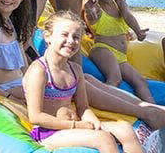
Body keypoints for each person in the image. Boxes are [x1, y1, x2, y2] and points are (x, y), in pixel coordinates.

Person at [23, 10, 145, 152]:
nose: (70, 41)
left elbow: (83, 107)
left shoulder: (75, 69)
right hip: (49, 132)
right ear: (47, 37)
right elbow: (35, 116)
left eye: (76, 37)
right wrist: (76, 126)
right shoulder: (40, 70)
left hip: (75, 125)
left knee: (125, 129)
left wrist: (94, 123)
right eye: (64, 34)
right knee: (103, 139)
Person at [83, 0, 152, 102]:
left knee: (141, 81)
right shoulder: (95, 7)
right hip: (103, 49)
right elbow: (90, 12)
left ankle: (154, 109)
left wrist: (138, 31)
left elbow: (128, 17)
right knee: (115, 79)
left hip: (120, 56)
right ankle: (101, 102)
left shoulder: (119, 4)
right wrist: (90, 11)